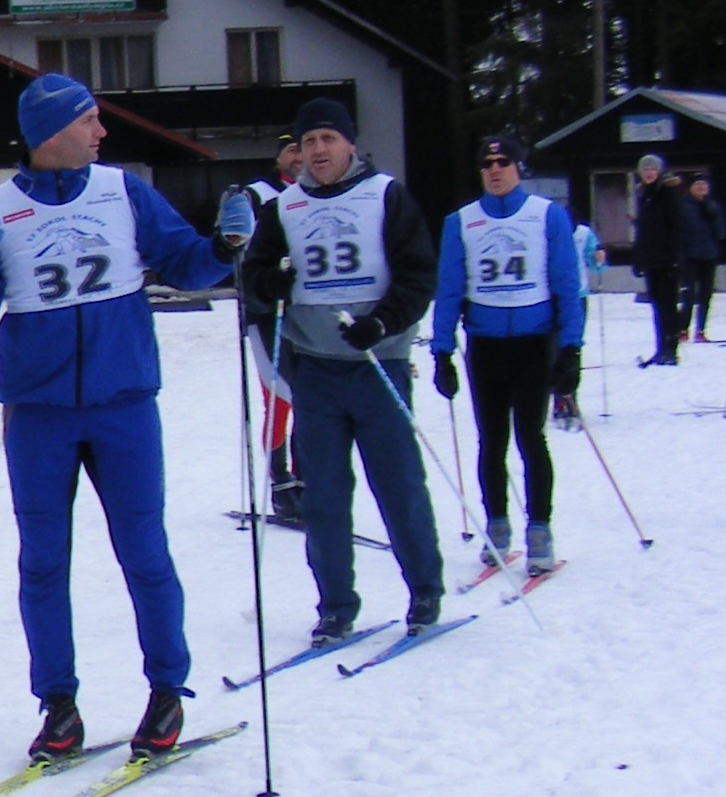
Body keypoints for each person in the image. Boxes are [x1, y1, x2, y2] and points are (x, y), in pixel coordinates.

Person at [0, 72, 235, 763]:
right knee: (42, 564)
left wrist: (222, 246)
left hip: (123, 404)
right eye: (89, 121)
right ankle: (59, 707)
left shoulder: (123, 191)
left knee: (144, 553)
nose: (102, 132)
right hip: (39, 414)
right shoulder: (0, 207)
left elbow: (188, 265)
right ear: (50, 134)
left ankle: (166, 692)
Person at [235, 97, 446, 641]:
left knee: (398, 485)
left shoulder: (385, 195)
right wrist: (268, 284)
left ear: (349, 143)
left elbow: (419, 274)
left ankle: (424, 590)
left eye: (328, 139)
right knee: (324, 495)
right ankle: (335, 603)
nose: (318, 151)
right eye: (308, 142)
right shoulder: (286, 207)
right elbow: (252, 276)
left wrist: (383, 322)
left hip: (379, 364)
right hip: (317, 371)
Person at [427, 136, 583, 571]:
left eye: (503, 162)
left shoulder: (547, 216)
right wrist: (442, 352)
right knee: (491, 441)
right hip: (486, 345)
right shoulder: (461, 221)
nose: (495, 170)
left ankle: (540, 529)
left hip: (535, 344)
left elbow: (567, 284)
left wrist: (571, 348)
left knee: (531, 437)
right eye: (487, 163)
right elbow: (450, 289)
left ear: (518, 167)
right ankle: (497, 525)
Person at [227, 131, 308, 522]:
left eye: (302, 149)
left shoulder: (316, 192)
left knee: (309, 397)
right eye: (291, 150)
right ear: (279, 158)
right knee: (278, 396)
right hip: (265, 311)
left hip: (301, 312)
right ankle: (280, 482)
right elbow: (237, 243)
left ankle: (305, 478)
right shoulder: (258, 195)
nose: (299, 157)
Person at [632, 153, 691, 367]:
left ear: (659, 172)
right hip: (651, 260)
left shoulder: (669, 193)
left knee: (668, 305)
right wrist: (638, 257)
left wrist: (676, 257)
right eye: (645, 170)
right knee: (657, 306)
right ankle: (661, 348)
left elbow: (677, 227)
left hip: (667, 259)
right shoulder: (643, 194)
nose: (648, 173)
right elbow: (643, 230)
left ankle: (670, 348)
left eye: (652, 169)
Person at [684, 172, 726, 338]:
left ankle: (701, 329)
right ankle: (683, 329)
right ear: (690, 188)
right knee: (688, 294)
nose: (701, 188)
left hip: (709, 255)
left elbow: (721, 233)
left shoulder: (712, 206)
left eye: (704, 185)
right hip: (689, 256)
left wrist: (713, 215)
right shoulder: (683, 206)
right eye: (697, 185)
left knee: (706, 294)